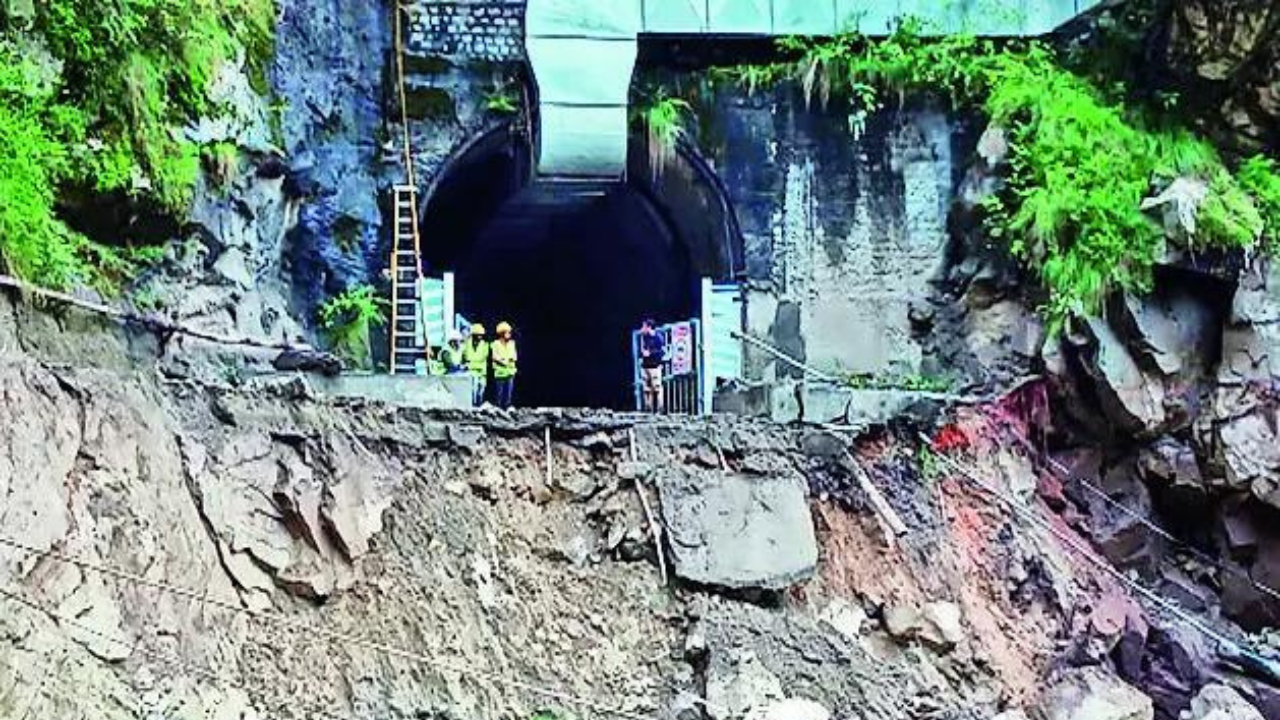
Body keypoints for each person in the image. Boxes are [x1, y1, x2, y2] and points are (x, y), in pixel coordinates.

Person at [638, 318, 666, 413]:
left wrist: (650, 353)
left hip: (655, 366)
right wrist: (643, 353)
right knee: (646, 388)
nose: (642, 329)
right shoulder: (644, 338)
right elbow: (641, 351)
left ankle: (660, 409)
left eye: (643, 326)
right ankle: (648, 409)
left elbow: (662, 352)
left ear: (649, 327)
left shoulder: (658, 337)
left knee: (657, 387)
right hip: (646, 366)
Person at [491, 321, 518, 409]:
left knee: (508, 394)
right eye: (507, 332)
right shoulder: (495, 344)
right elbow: (495, 357)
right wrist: (504, 361)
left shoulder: (512, 343)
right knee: (499, 394)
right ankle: (498, 409)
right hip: (500, 373)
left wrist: (505, 359)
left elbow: (514, 356)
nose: (509, 334)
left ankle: (507, 408)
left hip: (510, 372)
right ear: (502, 333)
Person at [462, 323, 490, 407]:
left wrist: (471, 364)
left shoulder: (485, 345)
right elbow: (466, 357)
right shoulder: (466, 345)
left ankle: (478, 407)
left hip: (481, 373)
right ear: (473, 335)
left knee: (480, 392)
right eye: (478, 335)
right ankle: (473, 408)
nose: (480, 337)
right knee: (472, 393)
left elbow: (481, 359)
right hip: (471, 373)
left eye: (481, 335)